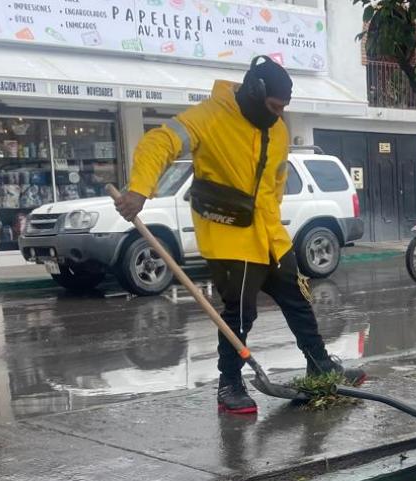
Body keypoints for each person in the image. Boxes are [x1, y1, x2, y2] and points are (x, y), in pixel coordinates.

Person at [115, 57, 365, 416]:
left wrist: (273, 220)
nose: (279, 115)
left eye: (283, 108)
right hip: (229, 235)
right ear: (254, 93)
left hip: (270, 235)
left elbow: (276, 181)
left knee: (298, 300)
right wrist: (139, 189)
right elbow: (159, 141)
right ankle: (230, 384)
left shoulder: (277, 130)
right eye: (274, 107)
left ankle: (320, 365)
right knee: (240, 314)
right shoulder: (211, 116)